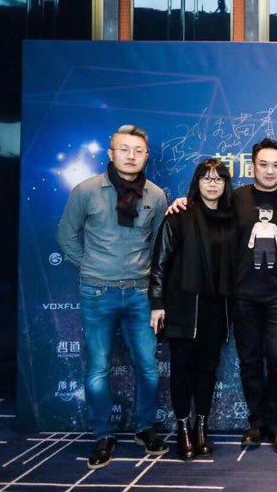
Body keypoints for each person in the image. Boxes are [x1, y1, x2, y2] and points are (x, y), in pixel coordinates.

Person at [166, 138, 277, 454]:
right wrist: (182, 203)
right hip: (242, 296)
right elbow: (205, 213)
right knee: (250, 361)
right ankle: (256, 424)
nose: (270, 170)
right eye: (263, 164)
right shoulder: (235, 199)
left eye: (276, 165)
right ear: (253, 167)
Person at [57, 124, 169, 470]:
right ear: (111, 153)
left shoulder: (156, 195)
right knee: (97, 369)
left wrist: (152, 289)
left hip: (139, 293)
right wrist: (90, 268)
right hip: (97, 292)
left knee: (148, 368)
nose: (131, 156)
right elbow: (66, 236)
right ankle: (103, 435)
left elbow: (160, 246)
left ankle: (145, 428)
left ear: (146, 156)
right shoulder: (87, 191)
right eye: (124, 149)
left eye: (138, 151)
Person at [149, 158, 233, 460]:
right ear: (197, 182)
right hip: (183, 307)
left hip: (217, 309)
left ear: (226, 184)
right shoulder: (179, 215)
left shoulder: (230, 218)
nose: (212, 184)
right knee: (182, 370)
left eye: (218, 179)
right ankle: (183, 428)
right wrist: (157, 304)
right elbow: (159, 263)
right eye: (206, 178)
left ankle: (202, 427)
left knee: (207, 371)